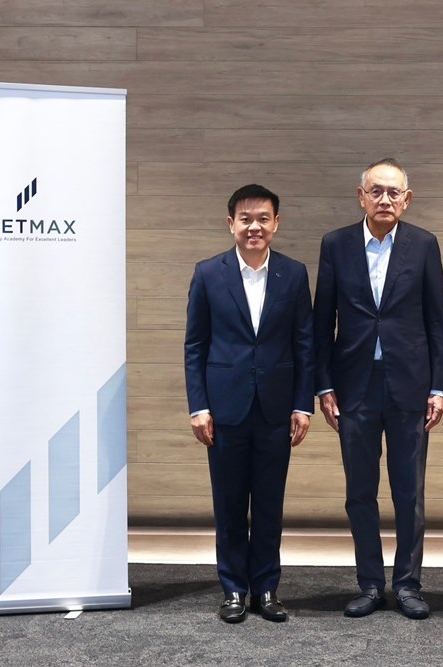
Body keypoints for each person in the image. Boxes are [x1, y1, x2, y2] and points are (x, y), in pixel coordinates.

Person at [313, 158, 443, 619]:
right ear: (361, 196)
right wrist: (323, 385)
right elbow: (322, 321)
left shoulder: (424, 245)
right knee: (359, 492)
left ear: (406, 200)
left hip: (411, 386)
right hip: (354, 387)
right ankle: (370, 583)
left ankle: (408, 584)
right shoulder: (335, 244)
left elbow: (437, 321)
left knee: (409, 493)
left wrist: (440, 388)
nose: (385, 199)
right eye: (377, 191)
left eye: (394, 192)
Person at [184, 184, 315, 624]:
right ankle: (234, 589)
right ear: (231, 224)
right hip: (224, 410)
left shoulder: (293, 274)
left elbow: (304, 344)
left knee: (269, 505)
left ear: (276, 223)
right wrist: (198, 406)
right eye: (245, 219)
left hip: (276, 408)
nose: (254, 226)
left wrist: (303, 404)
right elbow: (195, 345)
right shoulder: (208, 273)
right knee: (229, 504)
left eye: (263, 218)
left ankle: (267, 588)